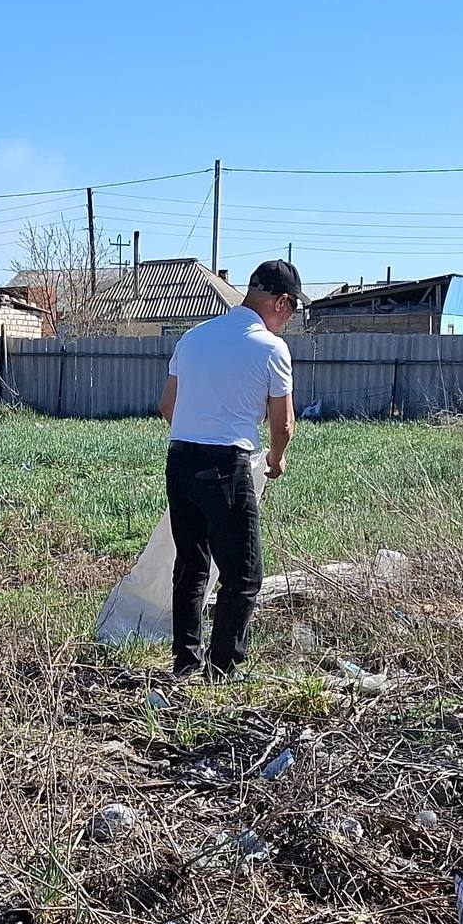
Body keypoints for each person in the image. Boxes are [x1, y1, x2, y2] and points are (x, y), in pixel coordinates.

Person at [158, 258, 299, 679]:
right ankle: (223, 669)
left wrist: (197, 430)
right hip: (227, 466)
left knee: (191, 565)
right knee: (243, 575)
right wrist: (276, 459)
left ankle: (185, 662)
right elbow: (283, 423)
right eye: (292, 311)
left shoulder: (195, 337)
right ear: (282, 302)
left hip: (181, 458)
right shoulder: (272, 349)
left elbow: (167, 406)